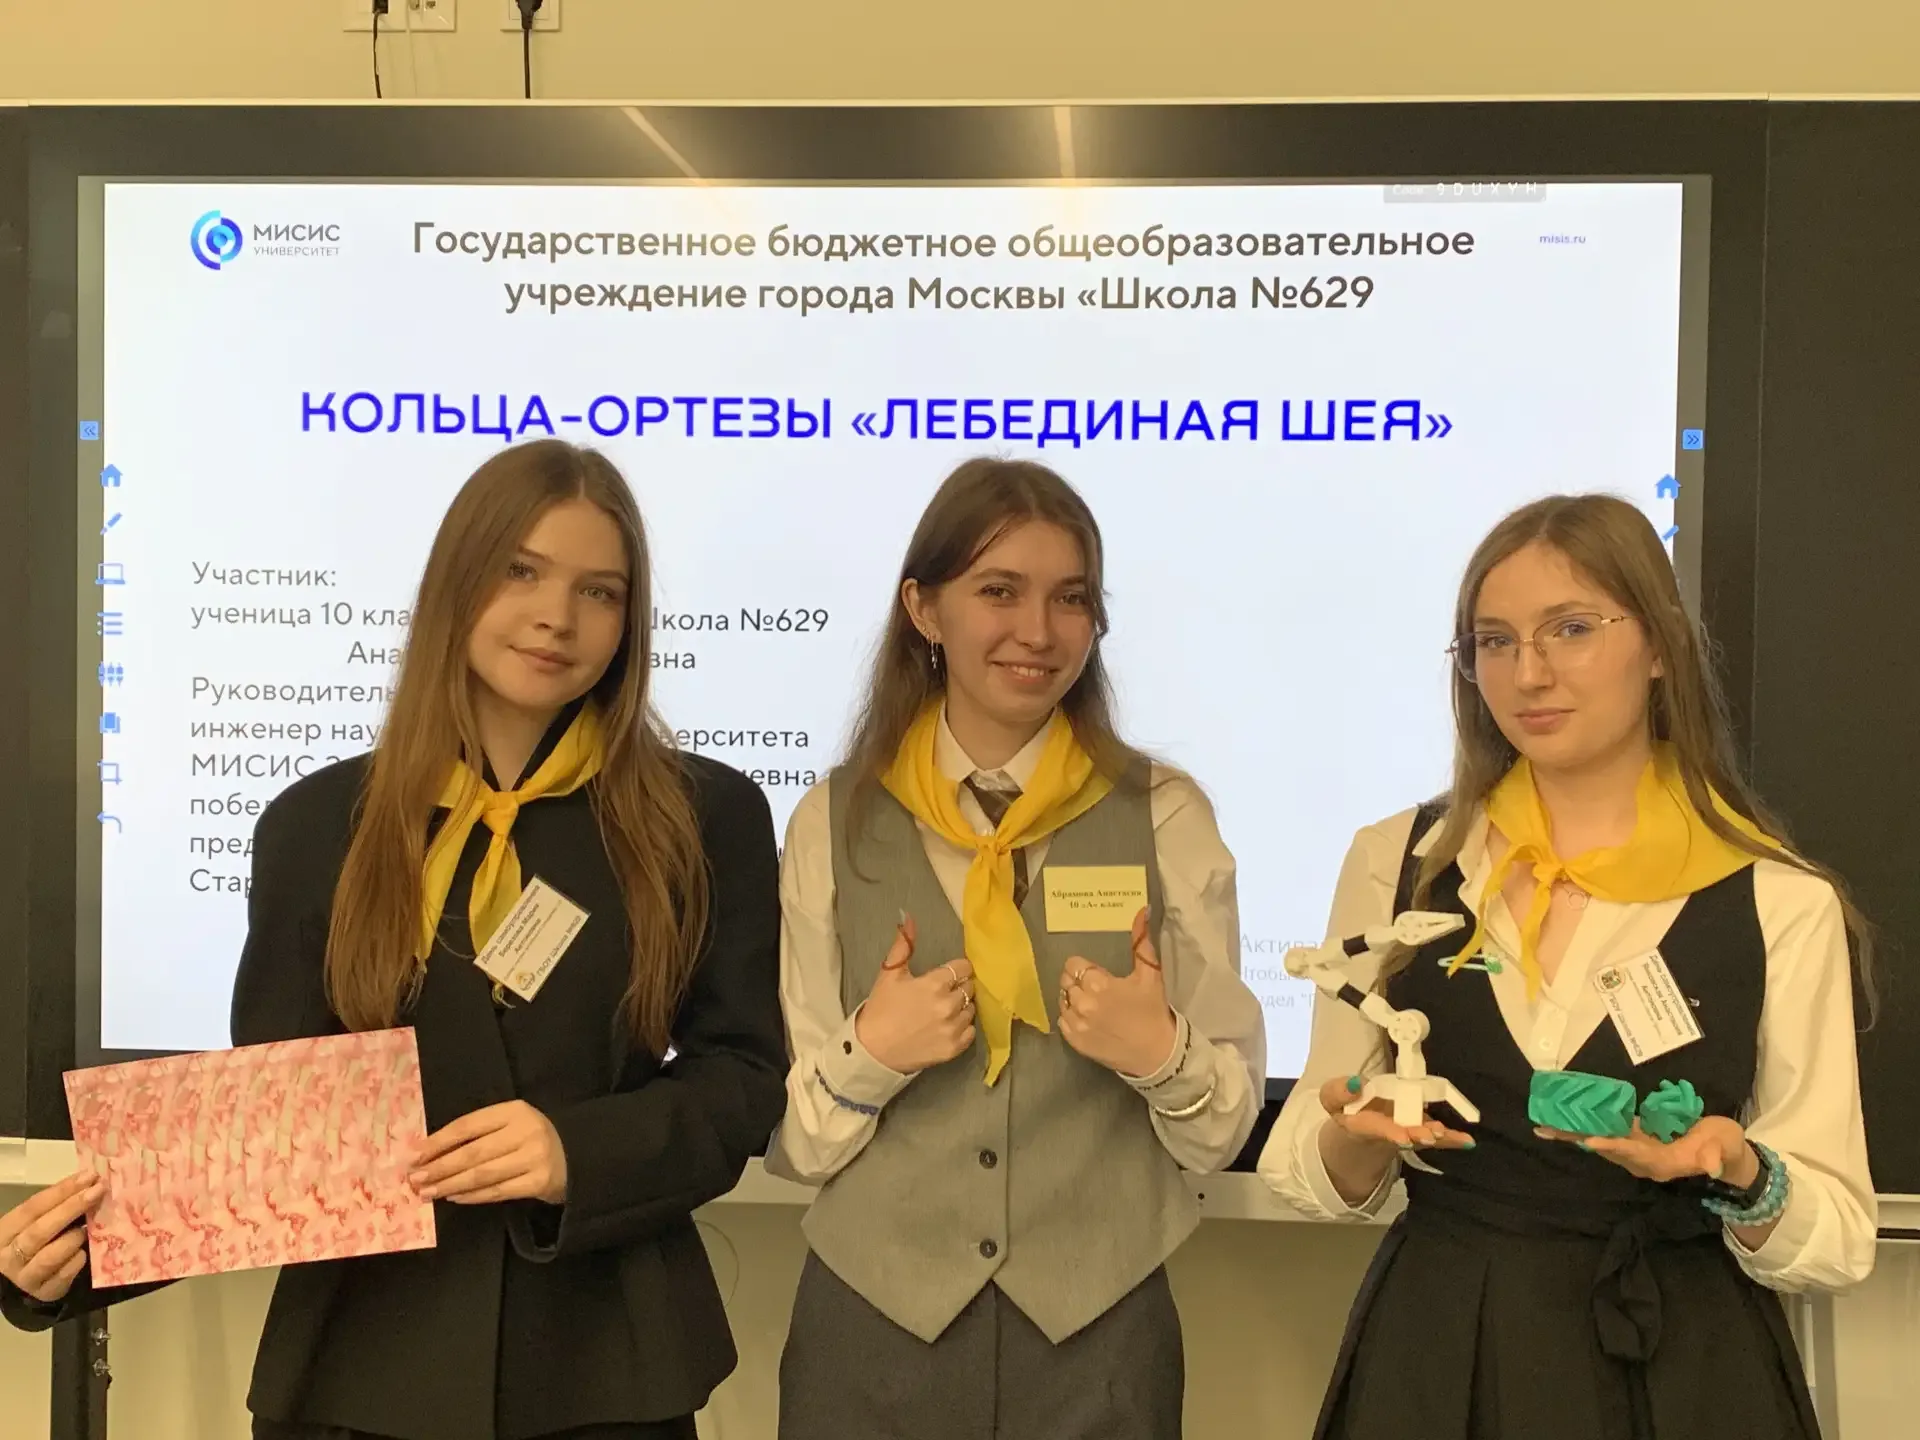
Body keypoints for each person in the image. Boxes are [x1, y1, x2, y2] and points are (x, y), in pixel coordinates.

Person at [1, 440, 788, 1440]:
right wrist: (70, 1260)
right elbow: (275, 1133)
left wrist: (577, 1152)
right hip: (359, 1369)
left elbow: (742, 1076)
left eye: (600, 591)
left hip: (606, 1372)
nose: (558, 615)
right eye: (521, 572)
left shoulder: (702, 816)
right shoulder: (315, 826)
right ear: (455, 583)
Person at [1257, 493, 1877, 1440]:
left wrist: (1743, 1172)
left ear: (1659, 644)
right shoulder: (1400, 863)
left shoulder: (1776, 899)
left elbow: (1837, 1236)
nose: (1529, 673)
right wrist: (1361, 1137)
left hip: (1680, 1361)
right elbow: (1304, 1164)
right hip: (1439, 1351)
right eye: (1494, 642)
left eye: (1572, 629)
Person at [768, 456, 1266, 1440]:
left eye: (1070, 598)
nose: (1038, 631)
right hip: (871, 1329)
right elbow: (804, 1143)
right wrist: (873, 1055)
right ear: (923, 608)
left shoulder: (1167, 815)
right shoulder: (832, 821)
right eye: (999, 591)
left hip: (1101, 1337)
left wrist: (1160, 1054)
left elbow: (1217, 1135)